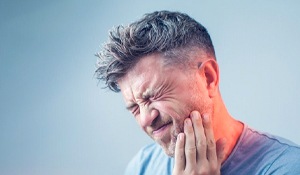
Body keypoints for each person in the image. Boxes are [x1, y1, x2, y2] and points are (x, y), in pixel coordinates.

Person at [95, 10, 300, 175]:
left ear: (208, 78)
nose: (146, 120)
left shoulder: (287, 168)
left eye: (153, 96)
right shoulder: (141, 167)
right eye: (134, 108)